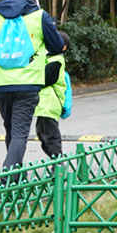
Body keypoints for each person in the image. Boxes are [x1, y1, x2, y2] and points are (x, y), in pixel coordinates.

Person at [0, 0, 65, 172]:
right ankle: (8, 177)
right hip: (28, 83)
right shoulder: (40, 16)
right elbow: (57, 46)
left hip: (1, 83)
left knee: (11, 130)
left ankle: (16, 176)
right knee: (19, 134)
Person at [34, 30, 71, 159]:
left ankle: (58, 166)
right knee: (42, 133)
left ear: (63, 47)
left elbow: (46, 79)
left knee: (50, 136)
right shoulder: (49, 58)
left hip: (49, 104)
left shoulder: (57, 61)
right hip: (45, 106)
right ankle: (56, 163)